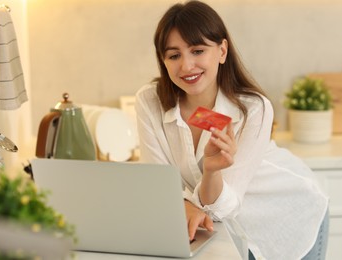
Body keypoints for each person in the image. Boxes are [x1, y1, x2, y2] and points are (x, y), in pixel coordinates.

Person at [135, 1, 329, 259]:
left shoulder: (253, 108)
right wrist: (184, 202)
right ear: (163, 60)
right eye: (174, 55)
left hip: (287, 212)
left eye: (198, 50)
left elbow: (224, 206)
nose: (186, 66)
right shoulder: (150, 102)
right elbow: (156, 184)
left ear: (222, 51)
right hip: (220, 226)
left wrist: (210, 173)